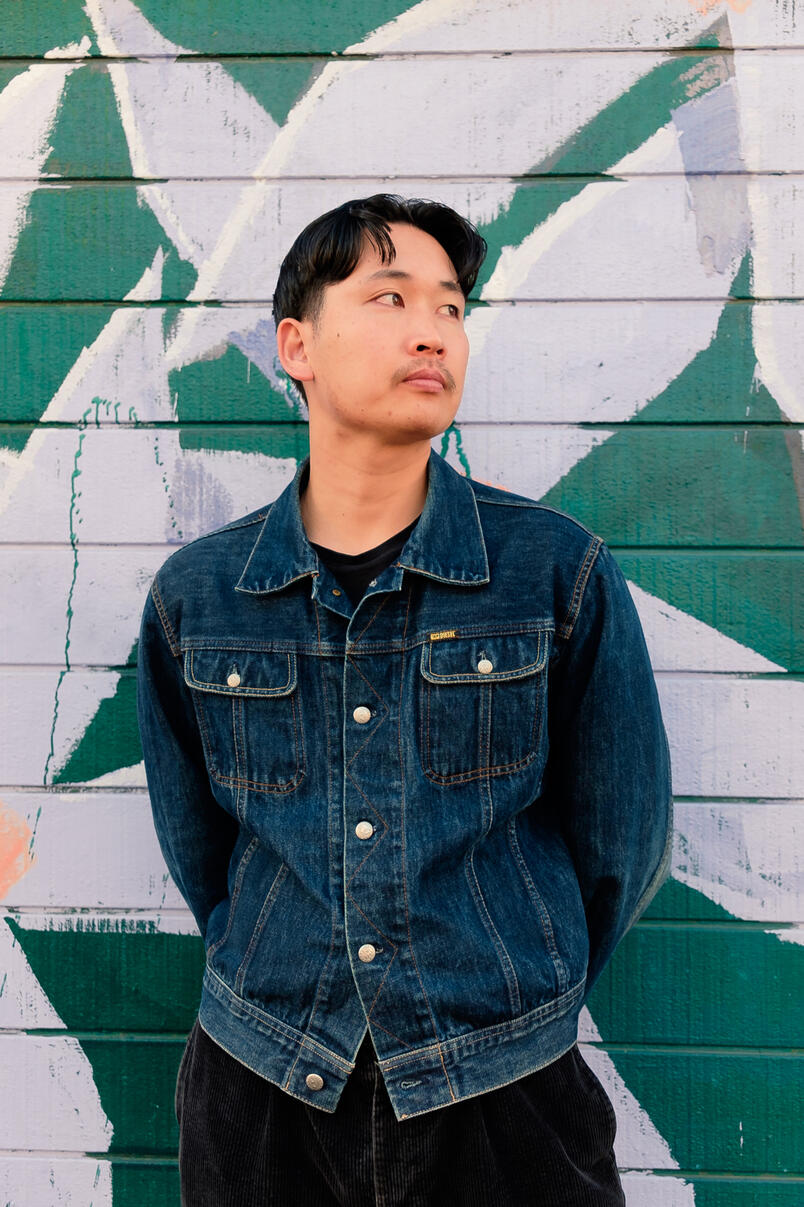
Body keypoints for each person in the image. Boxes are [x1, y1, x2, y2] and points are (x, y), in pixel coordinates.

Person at [137, 194, 673, 1206]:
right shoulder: (200, 600)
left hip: (506, 1095)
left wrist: (507, 993)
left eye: (452, 307)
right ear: (296, 345)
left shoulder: (554, 574)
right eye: (389, 297)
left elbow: (621, 843)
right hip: (261, 1093)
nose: (432, 329)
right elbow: (202, 849)